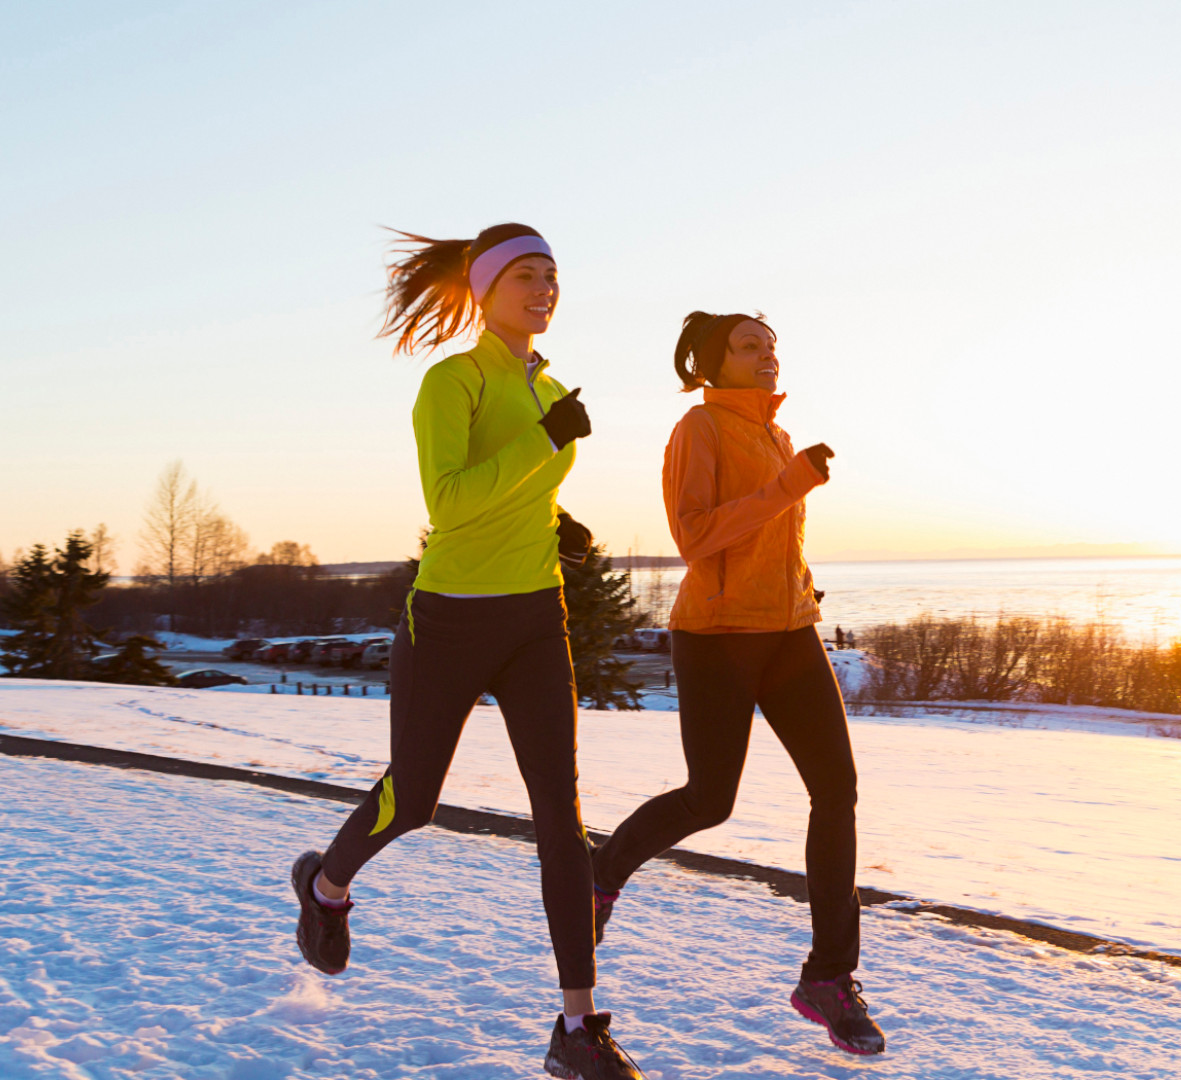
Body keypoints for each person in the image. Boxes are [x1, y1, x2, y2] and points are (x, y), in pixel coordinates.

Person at [287, 223, 644, 1080]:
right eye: (527, 274)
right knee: (414, 800)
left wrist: (563, 522)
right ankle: (326, 887)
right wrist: (547, 441)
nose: (545, 288)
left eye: (553, 275)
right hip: (447, 619)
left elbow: (520, 491)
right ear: (483, 290)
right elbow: (449, 505)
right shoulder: (453, 381)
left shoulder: (545, 384)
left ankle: (577, 1027)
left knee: (561, 819)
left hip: (534, 620)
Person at [592, 312, 884, 1055]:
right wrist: (788, 487)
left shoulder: (777, 434)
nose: (768, 356)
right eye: (750, 345)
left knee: (837, 792)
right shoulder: (701, 429)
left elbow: (774, 540)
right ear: (711, 361)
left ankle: (828, 977)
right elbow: (694, 537)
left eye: (773, 345)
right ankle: (604, 870)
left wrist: (803, 588)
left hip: (790, 633)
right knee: (710, 800)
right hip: (717, 638)